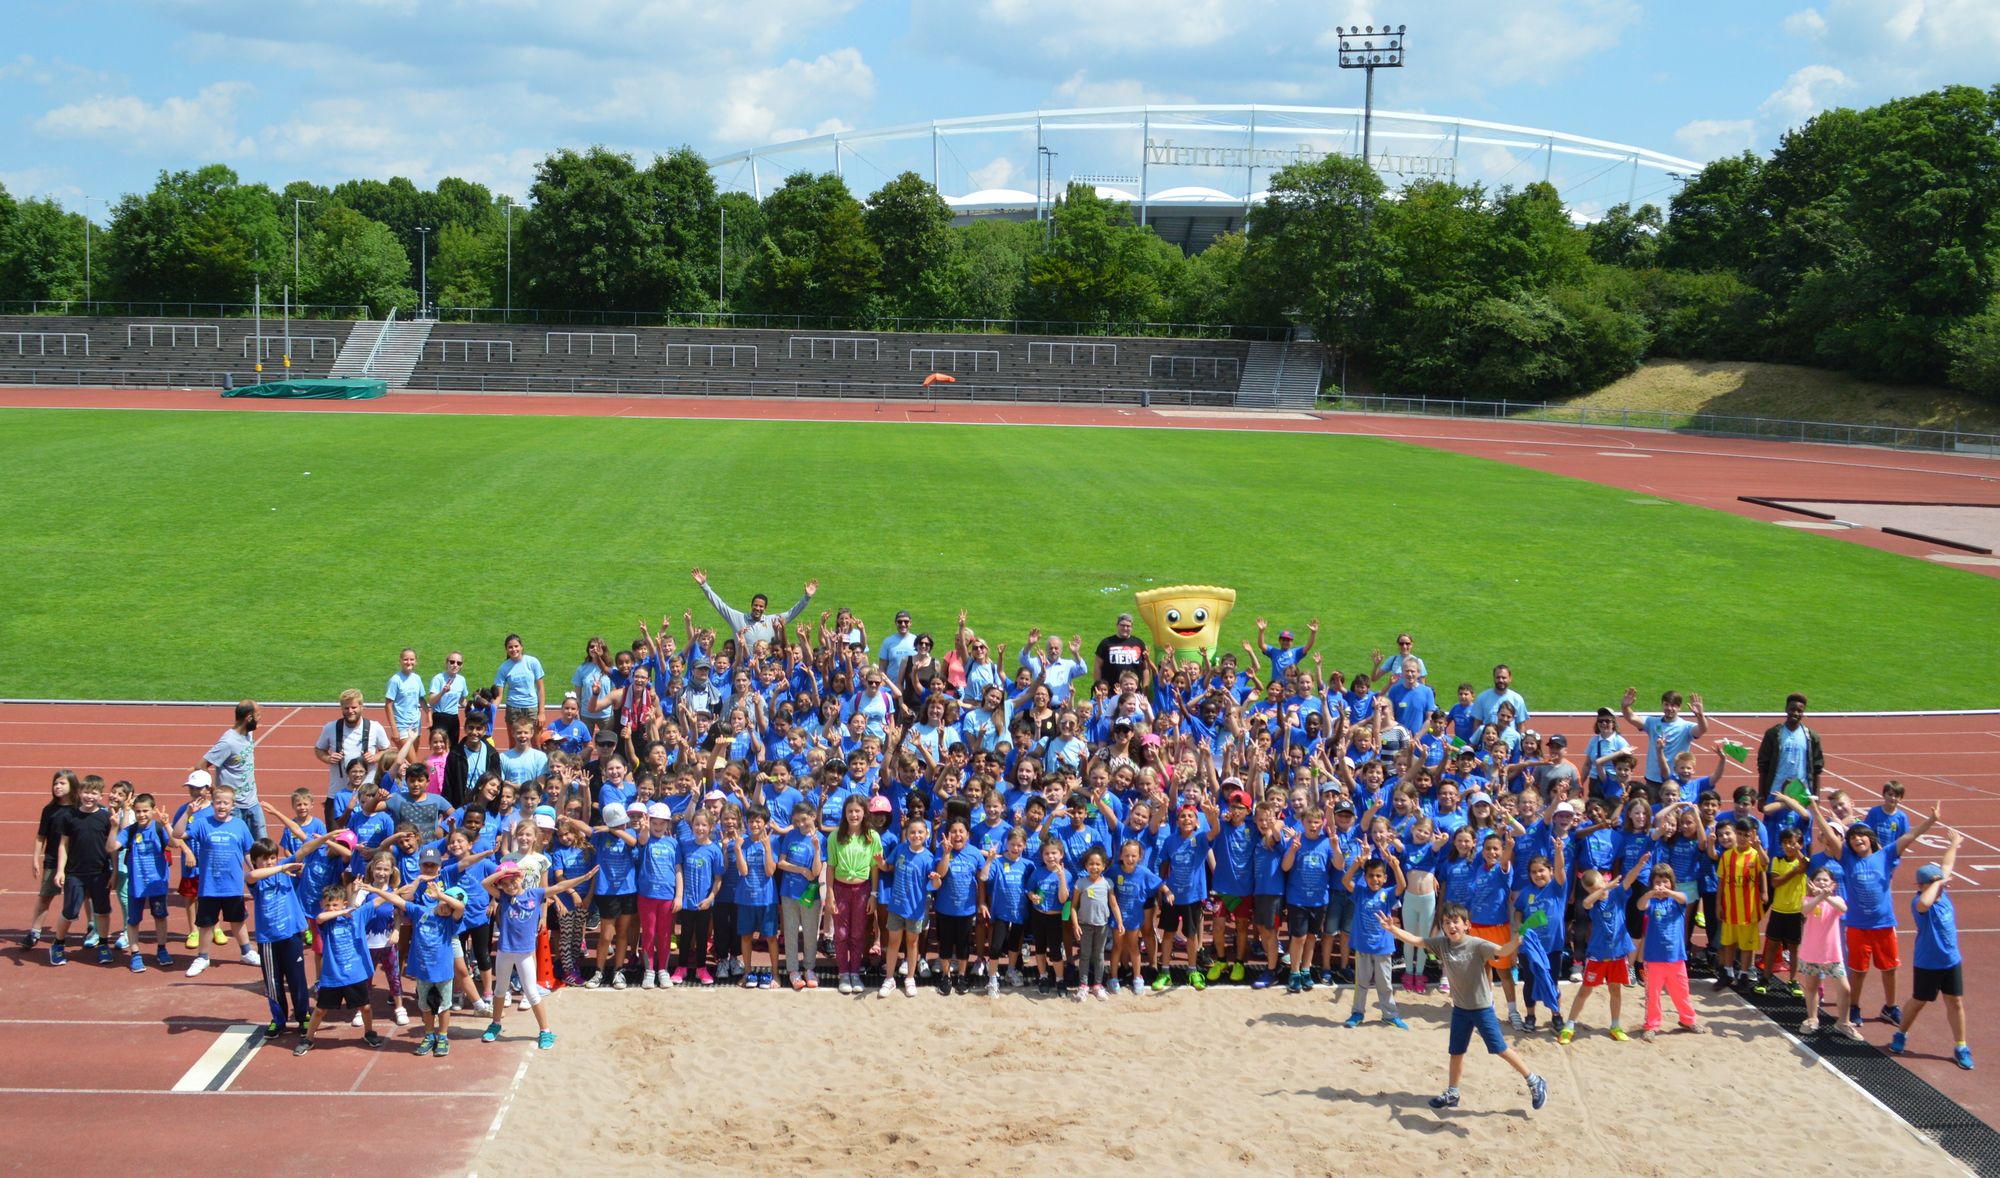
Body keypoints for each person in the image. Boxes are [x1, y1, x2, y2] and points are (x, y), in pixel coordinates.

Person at [1380, 902, 1548, 1112]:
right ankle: (1453, 1092)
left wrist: (1516, 940)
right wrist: (1392, 929)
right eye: (1446, 923)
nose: (1451, 926)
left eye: (1455, 922)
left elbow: (1502, 951)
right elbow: (1415, 940)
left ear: (1467, 925)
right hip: (1460, 1009)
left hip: (1482, 1008)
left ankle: (1534, 1080)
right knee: (1456, 1051)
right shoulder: (1442, 944)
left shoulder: (1477, 944)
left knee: (1500, 1049)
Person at [482, 862, 597, 1049]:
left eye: (513, 881)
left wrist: (584, 878)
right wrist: (506, 871)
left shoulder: (534, 894)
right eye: (505, 883)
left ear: (521, 878)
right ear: (501, 886)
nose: (510, 886)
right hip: (504, 952)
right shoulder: (503, 897)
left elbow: (560, 886)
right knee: (500, 991)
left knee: (532, 993)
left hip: (525, 954)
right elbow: (485, 883)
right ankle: (495, 1024)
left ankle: (545, 1031)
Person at [1891, 831, 1973, 1070]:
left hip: (1951, 961)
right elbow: (1925, 902)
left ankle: (1961, 1046)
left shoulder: (1942, 894)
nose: (1941, 886)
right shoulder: (1919, 903)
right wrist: (1938, 883)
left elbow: (1947, 865)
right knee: (1919, 1001)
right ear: (1922, 885)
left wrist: (1954, 844)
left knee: (1955, 1002)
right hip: (1928, 962)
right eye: (1935, 883)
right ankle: (1901, 1033)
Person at [363, 873, 466, 1057]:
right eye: (445, 905)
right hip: (422, 970)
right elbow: (396, 900)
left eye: (450, 908)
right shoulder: (420, 911)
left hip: (442, 971)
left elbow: (460, 907)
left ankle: (442, 1037)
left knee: (444, 1007)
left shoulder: (451, 922)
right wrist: (374, 890)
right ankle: (429, 1036)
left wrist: (441, 896)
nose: (447, 910)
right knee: (425, 1006)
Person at [173, 783, 258, 977]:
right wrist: (187, 813)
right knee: (206, 924)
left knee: (238, 920)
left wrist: (254, 871)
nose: (222, 806)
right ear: (213, 804)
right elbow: (177, 834)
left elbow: (248, 851)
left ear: (232, 805)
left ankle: (246, 952)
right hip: (209, 885)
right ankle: (202, 957)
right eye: (218, 802)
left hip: (233, 885)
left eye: (226, 803)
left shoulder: (240, 825)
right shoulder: (203, 823)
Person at [293, 882, 387, 1056]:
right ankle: (308, 1038)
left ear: (344, 903)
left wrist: (391, 891)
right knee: (320, 1010)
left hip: (355, 974)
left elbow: (378, 901)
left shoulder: (358, 915)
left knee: (365, 1007)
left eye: (335, 904)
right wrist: (341, 912)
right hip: (333, 975)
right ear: (322, 904)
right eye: (327, 905)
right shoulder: (326, 922)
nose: (330, 908)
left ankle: (369, 1032)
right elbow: (320, 918)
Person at [46, 774, 120, 967]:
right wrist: (60, 870)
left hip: (100, 873)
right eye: (86, 792)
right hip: (75, 873)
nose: (89, 796)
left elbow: (112, 848)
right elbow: (63, 845)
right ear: (79, 793)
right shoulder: (69, 816)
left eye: (94, 793)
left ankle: (103, 944)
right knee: (70, 911)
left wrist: (114, 872)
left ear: (101, 796)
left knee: (102, 911)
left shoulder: (105, 817)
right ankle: (58, 944)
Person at [1638, 864, 1701, 1040]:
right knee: (1653, 995)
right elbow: (1640, 905)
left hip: (1676, 957)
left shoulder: (1676, 900)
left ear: (1672, 883)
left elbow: (1683, 898)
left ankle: (1688, 1020)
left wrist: (1669, 892)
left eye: (1665, 881)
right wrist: (1651, 893)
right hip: (1654, 958)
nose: (1661, 885)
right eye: (1657, 882)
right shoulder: (1651, 902)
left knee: (1682, 992)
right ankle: (1652, 1025)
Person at [117, 791, 176, 972]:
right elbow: (112, 846)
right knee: (134, 920)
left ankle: (162, 949)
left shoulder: (159, 828)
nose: (142, 814)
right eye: (138, 811)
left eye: (145, 811)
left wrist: (167, 825)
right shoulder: (130, 831)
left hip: (157, 884)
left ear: (153, 810)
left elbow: (175, 843)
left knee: (160, 916)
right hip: (136, 885)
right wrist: (114, 825)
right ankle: (135, 954)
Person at [691, 567, 817, 650]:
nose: (758, 608)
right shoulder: (738, 618)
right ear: (751, 606)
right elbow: (720, 605)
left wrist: (807, 597)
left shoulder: (772, 620)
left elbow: (792, 612)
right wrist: (704, 586)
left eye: (761, 606)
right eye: (755, 605)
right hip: (743, 671)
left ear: (765, 608)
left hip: (766, 671)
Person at [1797, 864, 1858, 1038]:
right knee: (1811, 987)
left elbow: (1843, 909)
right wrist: (1819, 896)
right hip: (1811, 953)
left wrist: (1826, 896)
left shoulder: (1836, 900)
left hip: (1832, 954)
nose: (1822, 882)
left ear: (1833, 884)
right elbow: (1805, 910)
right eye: (1818, 880)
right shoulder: (1807, 900)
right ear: (1811, 883)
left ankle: (1843, 1022)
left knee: (1845, 989)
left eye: (1825, 880)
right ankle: (1812, 1018)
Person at [1620, 688, 1708, 793]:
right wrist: (1625, 706)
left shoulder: (1686, 726)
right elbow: (1631, 717)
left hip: (1675, 780)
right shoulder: (1652, 722)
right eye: (1666, 704)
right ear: (1662, 705)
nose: (1669, 708)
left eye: (1673, 705)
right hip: (1653, 779)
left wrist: (1700, 715)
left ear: (1679, 707)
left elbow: (1702, 729)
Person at [202, 700, 266, 843]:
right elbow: (201, 765)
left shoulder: (248, 733)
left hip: (253, 803)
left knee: (263, 847)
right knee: (235, 846)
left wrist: (254, 725)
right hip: (234, 807)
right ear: (248, 718)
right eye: (258, 716)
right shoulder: (228, 742)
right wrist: (215, 791)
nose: (260, 719)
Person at [315, 690, 388, 793]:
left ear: (361, 707)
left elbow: (386, 750)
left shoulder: (375, 727)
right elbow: (319, 749)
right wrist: (328, 758)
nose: (350, 711)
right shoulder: (330, 727)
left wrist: (374, 757)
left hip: (367, 791)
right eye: (346, 708)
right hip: (338, 790)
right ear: (341, 708)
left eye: (354, 707)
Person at [1070, 846, 1117, 1002]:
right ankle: (1083, 985)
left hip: (1102, 926)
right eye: (1091, 864)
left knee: (1099, 955)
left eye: (1098, 864)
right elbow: (1073, 907)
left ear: (1104, 866)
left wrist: (1119, 922)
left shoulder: (1108, 883)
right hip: (1085, 925)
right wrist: (1076, 925)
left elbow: (1113, 904)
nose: (1094, 867)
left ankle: (1097, 984)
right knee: (1085, 955)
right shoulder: (1081, 883)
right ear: (1086, 865)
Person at [1756, 692, 1823, 799]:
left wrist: (1816, 797)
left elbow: (1817, 769)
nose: (1796, 713)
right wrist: (1761, 795)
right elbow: (1763, 766)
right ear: (1786, 709)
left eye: (1799, 711)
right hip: (1775, 792)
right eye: (1792, 709)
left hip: (1802, 795)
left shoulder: (1811, 736)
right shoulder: (1773, 734)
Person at [493, 634, 546, 745]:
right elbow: (499, 695)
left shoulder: (533, 662)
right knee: (514, 745)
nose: (514, 649)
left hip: (532, 708)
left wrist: (541, 712)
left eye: (516, 646)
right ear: (506, 649)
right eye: (510, 647)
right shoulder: (503, 668)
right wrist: (490, 710)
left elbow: (540, 688)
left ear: (521, 647)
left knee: (536, 744)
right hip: (513, 709)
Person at [1093, 613, 1147, 687]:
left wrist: (1145, 689)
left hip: (1133, 690)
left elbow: (1145, 668)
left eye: (1128, 626)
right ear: (1117, 625)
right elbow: (1097, 667)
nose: (1125, 628)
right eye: (1122, 625)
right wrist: (1098, 686)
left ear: (1132, 627)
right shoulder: (1106, 643)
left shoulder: (1139, 643)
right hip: (1110, 690)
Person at [385, 649, 427, 745]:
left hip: (416, 724)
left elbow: (421, 699)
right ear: (400, 661)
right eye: (405, 659)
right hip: (401, 725)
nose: (409, 662)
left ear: (416, 661)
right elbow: (388, 705)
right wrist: (394, 729)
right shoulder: (395, 680)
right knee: (409, 755)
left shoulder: (417, 678)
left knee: (414, 755)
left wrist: (429, 715)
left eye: (411, 659)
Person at [427, 651, 470, 743]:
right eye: (452, 662)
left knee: (453, 747)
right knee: (440, 747)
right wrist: (443, 692)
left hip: (454, 718)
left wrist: (473, 708)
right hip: (439, 717)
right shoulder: (438, 679)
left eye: (458, 663)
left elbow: (462, 700)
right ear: (447, 663)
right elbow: (431, 701)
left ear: (461, 665)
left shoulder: (461, 680)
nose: (455, 665)